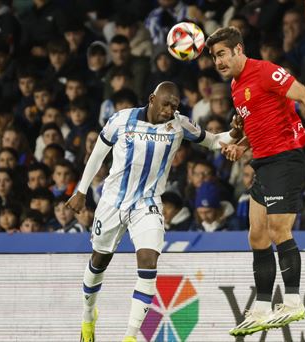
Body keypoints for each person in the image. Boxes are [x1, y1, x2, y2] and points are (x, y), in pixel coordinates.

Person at [66, 81, 242, 342]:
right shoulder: (121, 120)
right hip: (113, 201)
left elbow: (215, 141)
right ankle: (88, 315)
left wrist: (235, 132)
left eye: (175, 106)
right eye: (166, 104)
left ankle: (130, 336)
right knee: (99, 261)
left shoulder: (180, 124)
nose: (170, 110)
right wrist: (81, 191)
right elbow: (97, 155)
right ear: (152, 99)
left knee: (149, 262)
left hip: (147, 203)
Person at [206, 26, 305, 336]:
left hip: (286, 159)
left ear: (238, 50)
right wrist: (240, 146)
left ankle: (292, 302)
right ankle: (261, 307)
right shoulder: (236, 87)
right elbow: (259, 123)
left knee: (278, 230)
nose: (218, 61)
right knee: (257, 235)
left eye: (222, 54)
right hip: (263, 164)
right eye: (213, 57)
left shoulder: (265, 72)